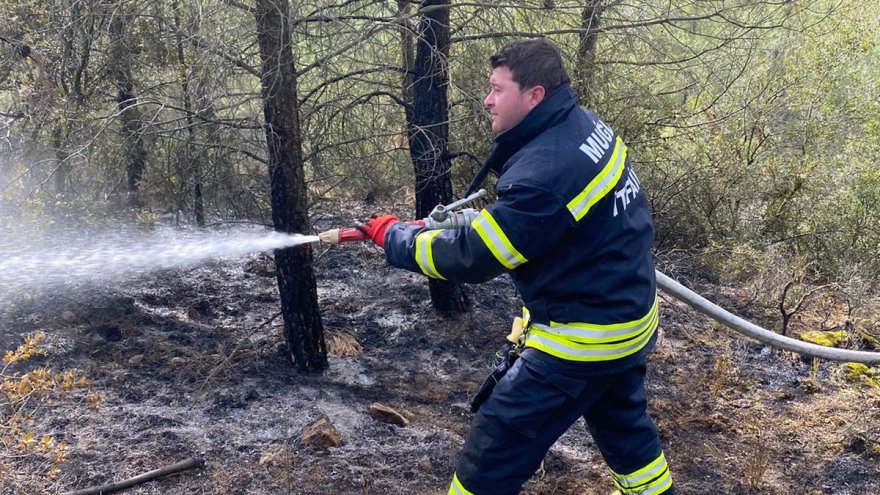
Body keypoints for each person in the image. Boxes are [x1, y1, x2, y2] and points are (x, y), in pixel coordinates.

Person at [361, 38, 674, 495]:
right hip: (627, 320)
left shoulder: (545, 172)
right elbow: (550, 224)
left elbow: (473, 257)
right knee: (626, 433)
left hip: (580, 341)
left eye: (496, 89)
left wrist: (394, 238)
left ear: (534, 96)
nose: (486, 100)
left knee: (495, 444)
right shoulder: (584, 126)